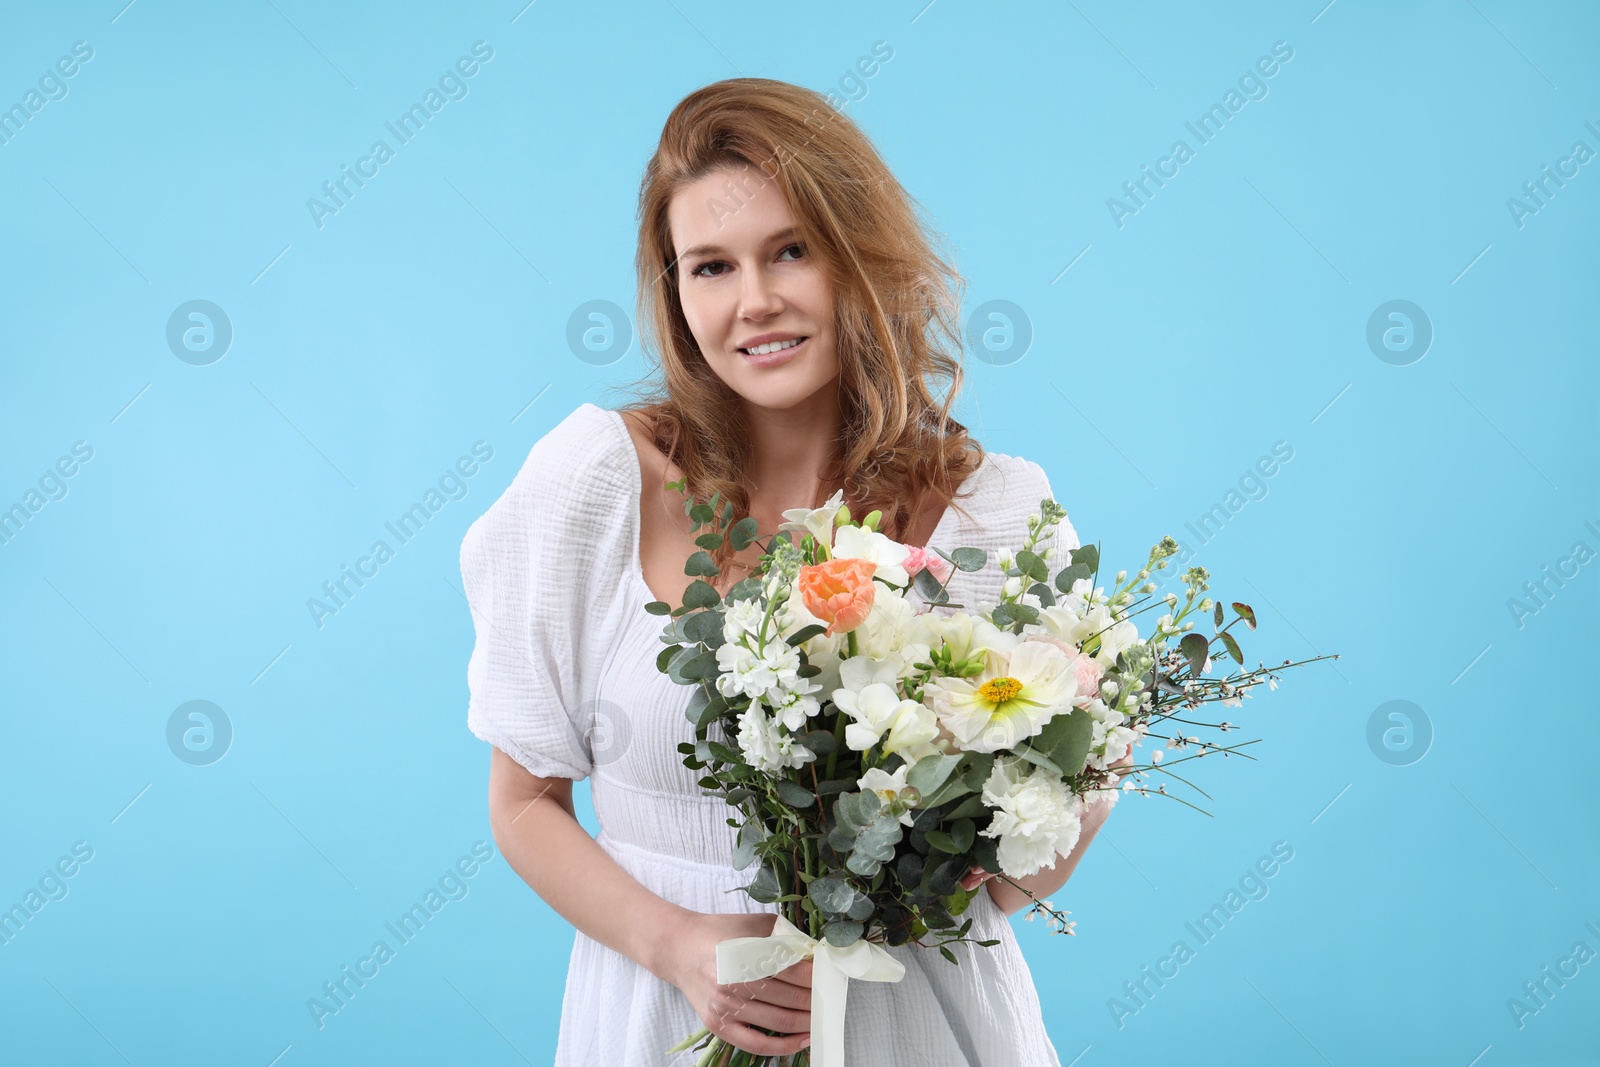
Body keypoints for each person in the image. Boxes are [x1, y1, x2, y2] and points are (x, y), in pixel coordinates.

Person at [460, 77, 1122, 1066]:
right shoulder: (593, 481)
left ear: (857, 257)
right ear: (676, 293)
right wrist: (678, 943)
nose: (754, 300)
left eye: (791, 251)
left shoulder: (999, 511)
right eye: (710, 266)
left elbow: (1024, 873)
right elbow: (522, 800)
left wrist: (1073, 764)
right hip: (660, 1018)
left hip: (919, 1021)